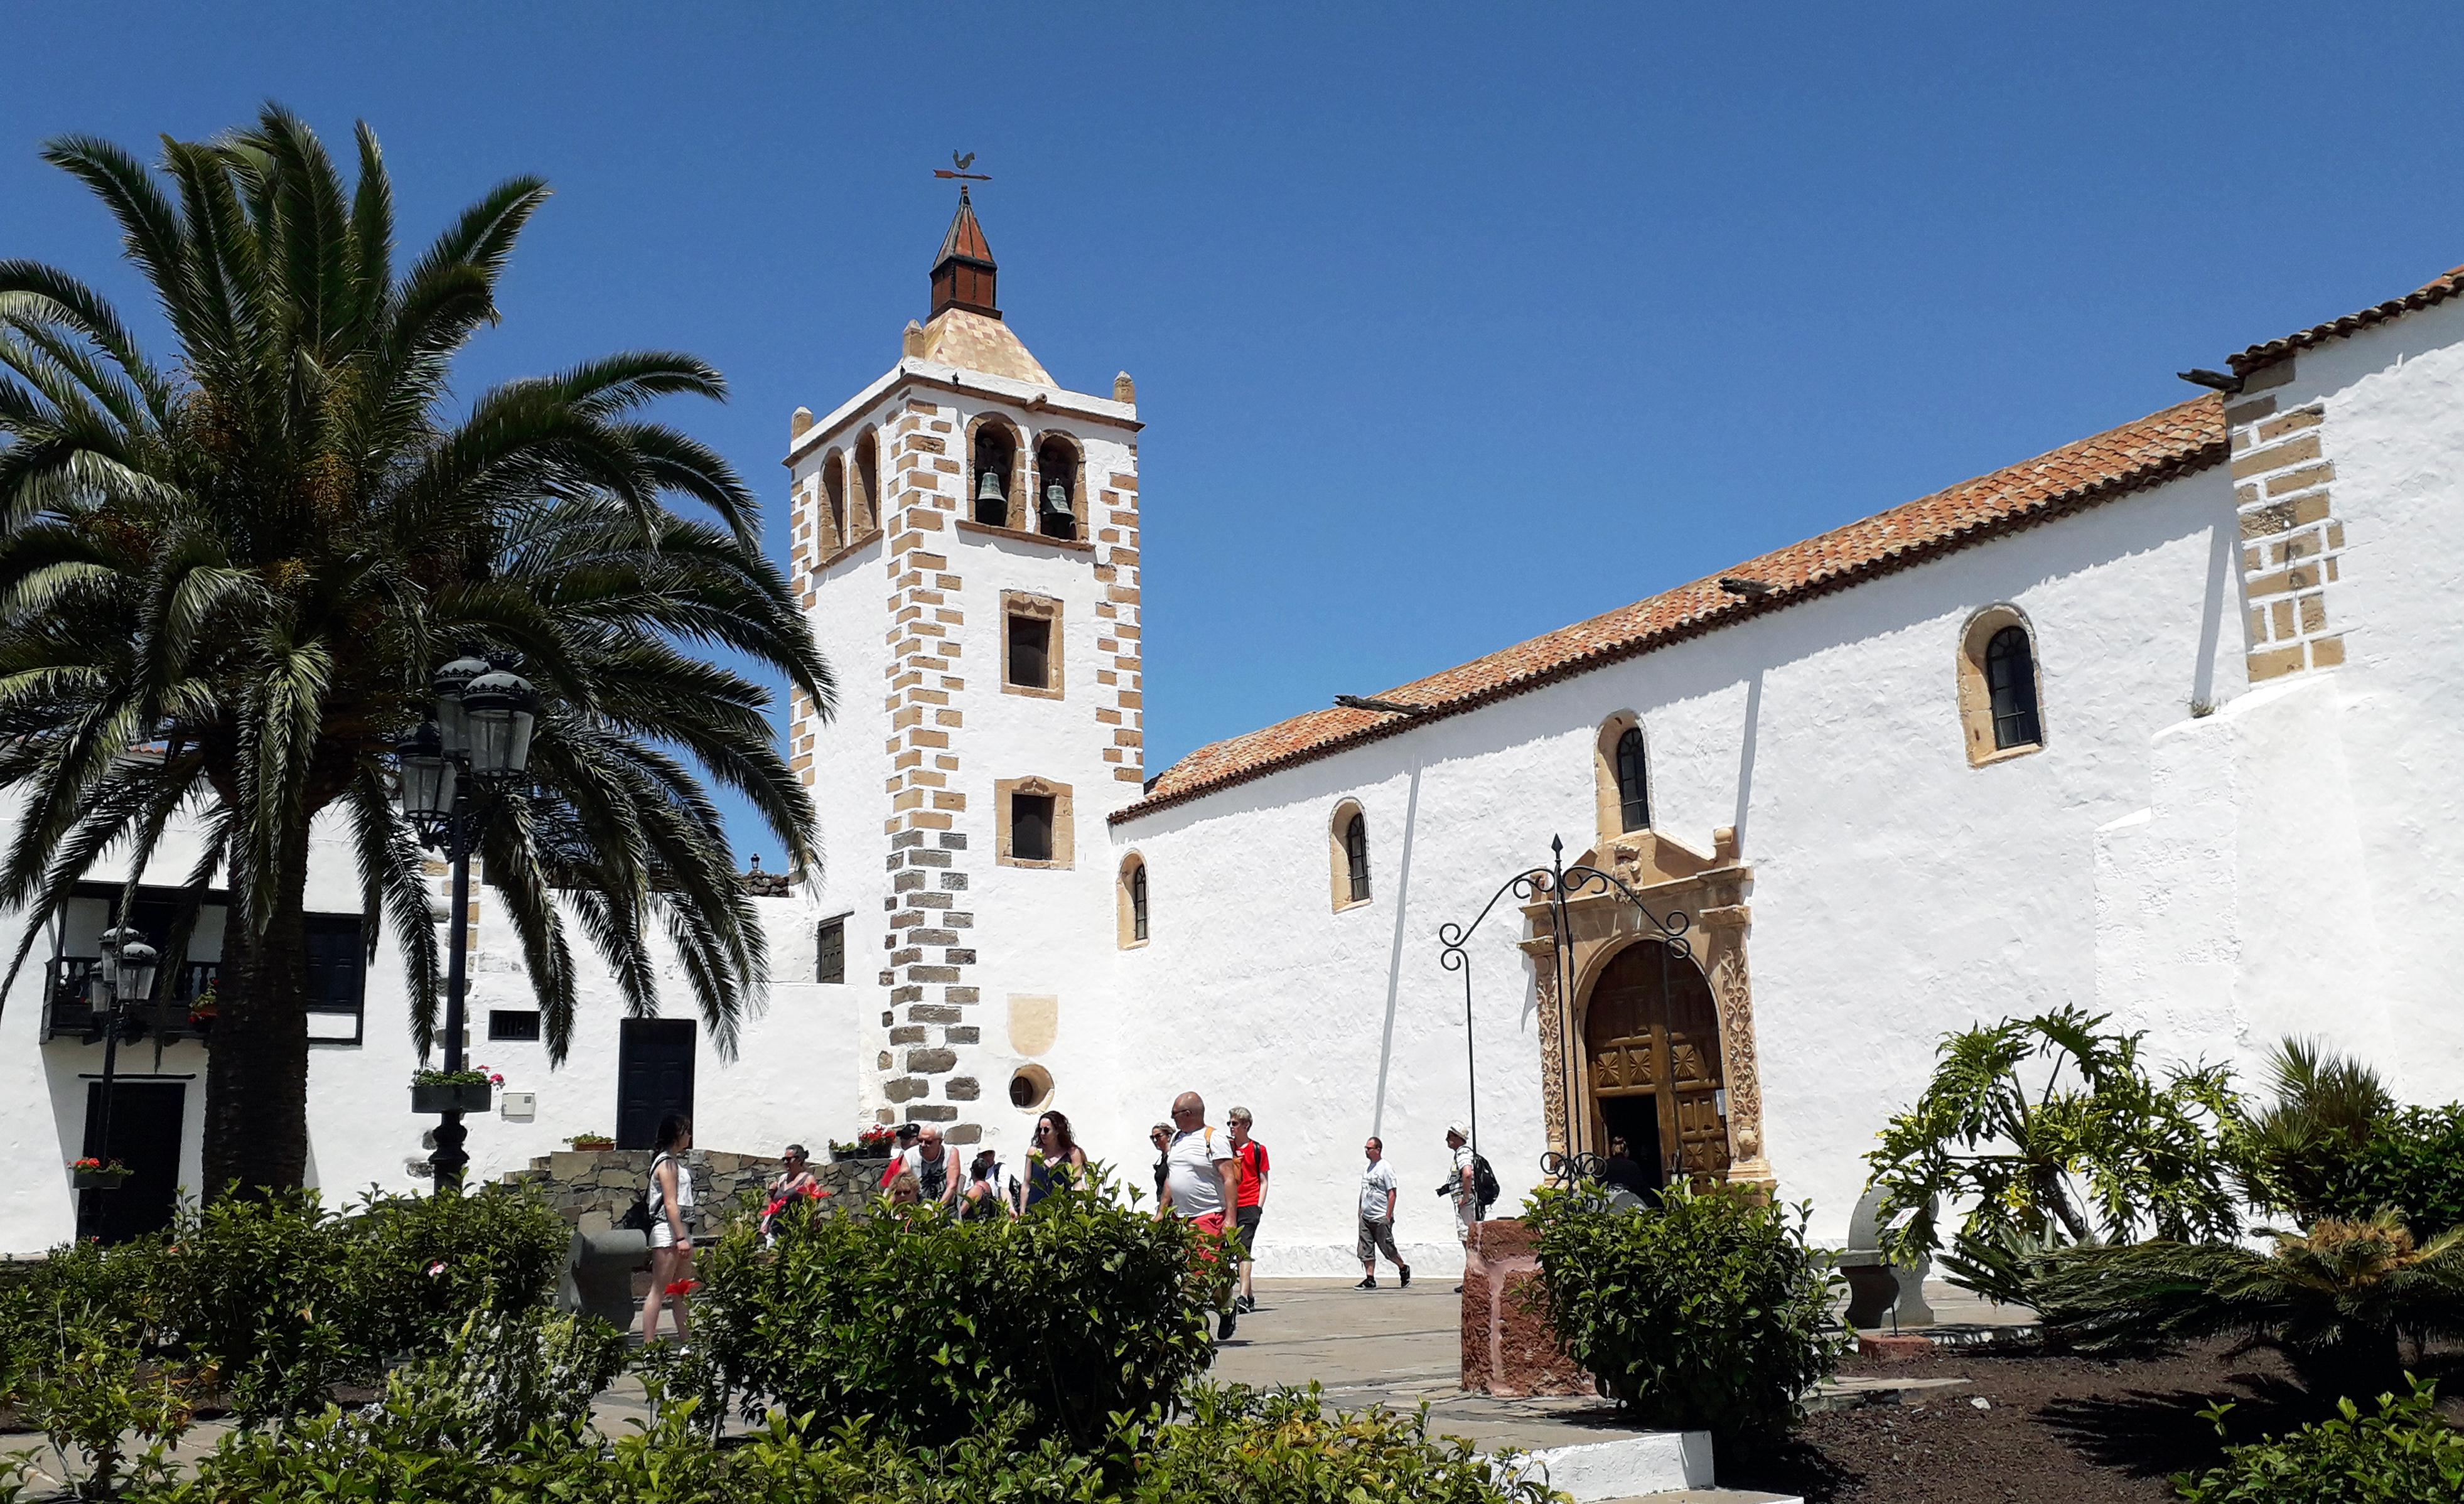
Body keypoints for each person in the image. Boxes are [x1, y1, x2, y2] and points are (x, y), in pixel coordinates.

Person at [1158, 1091, 1242, 1338]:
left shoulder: (1213, 1138)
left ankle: (1192, 1330)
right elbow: (1173, 1178)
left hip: (1207, 1216)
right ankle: (1226, 1307)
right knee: (1189, 1272)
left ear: (1188, 1114)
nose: (1172, 1119)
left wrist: (1231, 1218)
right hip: (1180, 1218)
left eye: (1174, 1114)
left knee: (1201, 1274)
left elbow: (1229, 1178)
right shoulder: (1177, 1140)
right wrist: (1162, 1210)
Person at [638, 1114, 697, 1345]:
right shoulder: (667, 1163)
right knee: (659, 1289)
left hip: (680, 1229)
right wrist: (681, 1237)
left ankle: (686, 1342)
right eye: (686, 1132)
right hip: (669, 1231)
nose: (690, 1137)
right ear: (677, 1135)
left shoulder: (672, 1161)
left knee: (681, 1290)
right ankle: (649, 1344)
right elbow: (670, 1202)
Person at [1226, 1106, 1269, 1314]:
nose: (1231, 1127)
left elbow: (1263, 1180)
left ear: (1246, 1125)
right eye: (1230, 1123)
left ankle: (1242, 1297)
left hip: (1250, 1205)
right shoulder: (1227, 1148)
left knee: (1244, 1250)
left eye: (1234, 1123)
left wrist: (1258, 1207)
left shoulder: (1258, 1150)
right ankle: (1250, 1296)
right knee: (1237, 1251)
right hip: (1231, 1206)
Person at [1355, 1136, 1409, 1290]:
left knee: (1387, 1249)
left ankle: (1403, 1268)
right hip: (1366, 1217)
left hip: (1380, 1217)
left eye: (1369, 1148)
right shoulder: (1367, 1169)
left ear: (1378, 1150)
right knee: (1366, 1248)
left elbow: (1392, 1193)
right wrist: (1360, 1209)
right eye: (1366, 1148)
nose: (1366, 1151)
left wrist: (1388, 1216)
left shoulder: (1385, 1168)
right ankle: (1370, 1278)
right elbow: (1364, 1190)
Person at [1443, 1124, 1485, 1294]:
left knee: (1469, 1241)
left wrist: (1466, 1197)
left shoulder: (1463, 1153)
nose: (1447, 1139)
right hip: (1466, 1203)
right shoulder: (1463, 1153)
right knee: (1469, 1241)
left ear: (1459, 1138)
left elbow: (1467, 1174)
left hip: (1466, 1205)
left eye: (1450, 1136)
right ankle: (1473, 1278)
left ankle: (1474, 1279)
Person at [1025, 1110, 1087, 1210]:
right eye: (1040, 1130)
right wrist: (1022, 1214)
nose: (1042, 1133)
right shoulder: (1033, 1152)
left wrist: (1078, 1208)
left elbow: (1078, 1185)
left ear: (1057, 1131)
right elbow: (1026, 1185)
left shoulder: (1072, 1154)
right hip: (1034, 1213)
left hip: (1061, 1213)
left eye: (1046, 1130)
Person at [761, 1143, 822, 1242]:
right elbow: (774, 1205)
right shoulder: (783, 1179)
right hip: (775, 1232)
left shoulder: (808, 1179)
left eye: (789, 1159)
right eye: (784, 1159)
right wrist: (771, 1193)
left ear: (799, 1160)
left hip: (795, 1232)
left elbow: (812, 1205)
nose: (786, 1162)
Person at [961, 1148, 1020, 1220]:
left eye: (990, 1154)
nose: (988, 1157)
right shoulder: (986, 1185)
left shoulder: (1000, 1169)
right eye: (984, 1155)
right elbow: (966, 1192)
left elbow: (1004, 1190)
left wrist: (1010, 1209)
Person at [878, 1122, 922, 1190]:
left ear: (919, 1139)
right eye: (902, 1137)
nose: (903, 1140)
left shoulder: (926, 1160)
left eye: (907, 1137)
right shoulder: (896, 1163)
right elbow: (885, 1187)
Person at [1148, 1121, 1174, 1204]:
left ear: (1169, 1137)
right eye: (1153, 1137)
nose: (1155, 1140)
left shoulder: (1173, 1157)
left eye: (1158, 1136)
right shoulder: (1162, 1159)